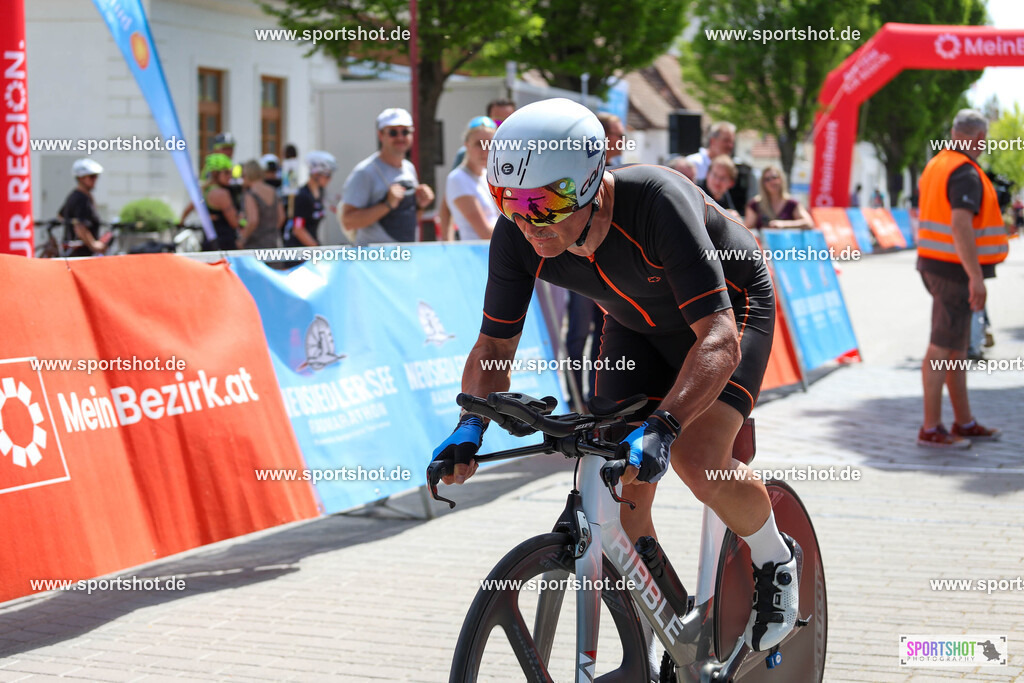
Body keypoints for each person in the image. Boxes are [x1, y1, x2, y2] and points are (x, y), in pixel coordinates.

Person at [431, 98, 800, 656]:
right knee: (616, 487)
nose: (528, 221)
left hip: (728, 312)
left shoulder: (655, 201)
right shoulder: (517, 233)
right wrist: (469, 425)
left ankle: (776, 557)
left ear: (588, 182)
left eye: (544, 203)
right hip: (634, 325)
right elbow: (495, 345)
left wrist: (665, 426)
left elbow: (719, 339)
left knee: (695, 456)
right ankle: (673, 625)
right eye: (507, 200)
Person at [916, 108, 1008, 448]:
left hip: (935, 264)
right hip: (954, 271)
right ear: (978, 137)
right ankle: (931, 428)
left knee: (955, 346)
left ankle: (964, 421)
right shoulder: (965, 172)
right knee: (943, 345)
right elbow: (960, 224)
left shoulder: (938, 164)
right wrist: (975, 277)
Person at [565, 110, 628, 407]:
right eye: (618, 134)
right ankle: (575, 397)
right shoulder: (580, 170)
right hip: (581, 263)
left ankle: (596, 397)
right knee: (578, 334)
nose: (623, 139)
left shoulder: (621, 172)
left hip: (608, 267)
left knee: (604, 332)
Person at [339, 107, 434, 246]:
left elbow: (407, 220)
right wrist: (387, 204)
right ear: (380, 135)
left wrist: (420, 205)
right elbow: (348, 222)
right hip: (374, 257)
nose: (400, 137)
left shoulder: (409, 168)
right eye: (393, 132)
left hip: (404, 254)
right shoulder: (365, 172)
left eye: (405, 132)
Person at [444, 117, 499, 241]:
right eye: (479, 144)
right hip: (477, 251)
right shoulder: (457, 178)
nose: (485, 150)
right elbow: (485, 233)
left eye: (490, 144)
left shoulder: (487, 175)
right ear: (466, 145)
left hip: (493, 248)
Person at [285, 151, 335, 248]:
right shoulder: (302, 196)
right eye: (327, 176)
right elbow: (298, 229)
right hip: (299, 250)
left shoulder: (320, 192)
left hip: (311, 247)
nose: (329, 179)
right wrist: (317, 249)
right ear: (316, 174)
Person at [60, 159, 108, 257]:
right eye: (91, 177)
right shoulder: (81, 199)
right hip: (81, 254)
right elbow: (80, 226)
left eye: (96, 176)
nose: (95, 180)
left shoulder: (75, 195)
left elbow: (61, 216)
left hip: (76, 253)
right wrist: (93, 244)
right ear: (80, 178)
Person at [744, 165, 813, 231]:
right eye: (767, 179)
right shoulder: (755, 204)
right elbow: (747, 227)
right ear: (763, 183)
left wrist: (783, 224)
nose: (772, 182)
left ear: (781, 179)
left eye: (774, 177)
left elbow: (809, 223)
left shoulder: (792, 203)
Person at [200, 153, 243, 251]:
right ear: (216, 174)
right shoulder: (222, 193)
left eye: (230, 172)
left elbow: (192, 207)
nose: (230, 176)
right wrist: (241, 219)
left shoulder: (205, 190)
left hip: (208, 242)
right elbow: (234, 223)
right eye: (226, 173)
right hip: (224, 244)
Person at [239, 160, 284, 250]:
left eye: (243, 176)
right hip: (273, 242)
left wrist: (242, 239)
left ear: (248, 175)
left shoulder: (250, 194)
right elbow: (281, 217)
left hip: (255, 244)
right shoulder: (273, 191)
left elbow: (253, 220)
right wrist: (270, 231)